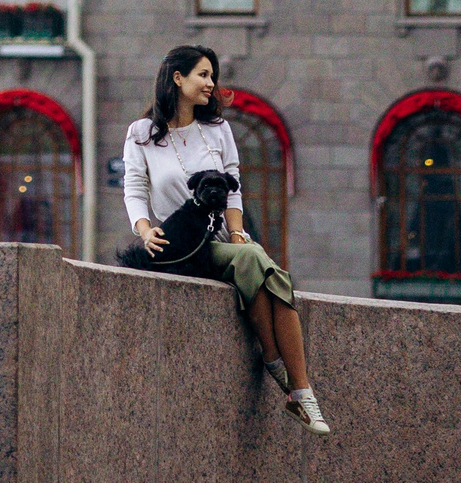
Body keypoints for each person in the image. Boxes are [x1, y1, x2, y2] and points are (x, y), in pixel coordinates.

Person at [122, 44, 328, 434]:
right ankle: (295, 386)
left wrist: (237, 232)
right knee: (256, 262)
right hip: (180, 245)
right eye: (203, 75)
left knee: (259, 263)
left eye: (212, 76)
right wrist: (145, 230)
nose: (211, 83)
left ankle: (292, 382)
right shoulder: (141, 133)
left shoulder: (218, 129)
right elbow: (134, 188)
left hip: (219, 239)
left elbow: (233, 190)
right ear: (177, 78)